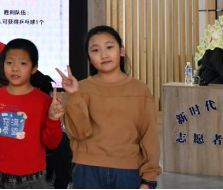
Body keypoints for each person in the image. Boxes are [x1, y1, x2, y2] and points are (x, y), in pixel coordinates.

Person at [57, 26, 161, 190]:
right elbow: (79, 133)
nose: (104, 55)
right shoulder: (80, 88)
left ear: (121, 50)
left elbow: (149, 136)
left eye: (109, 47)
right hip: (87, 170)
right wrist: (74, 95)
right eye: (95, 50)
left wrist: (149, 178)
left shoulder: (140, 90)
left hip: (128, 171)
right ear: (89, 58)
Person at [0, 39, 64, 189]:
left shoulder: (44, 102)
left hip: (31, 180)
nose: (15, 69)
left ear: (34, 68)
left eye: (23, 63)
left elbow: (52, 143)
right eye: (9, 63)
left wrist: (53, 119)